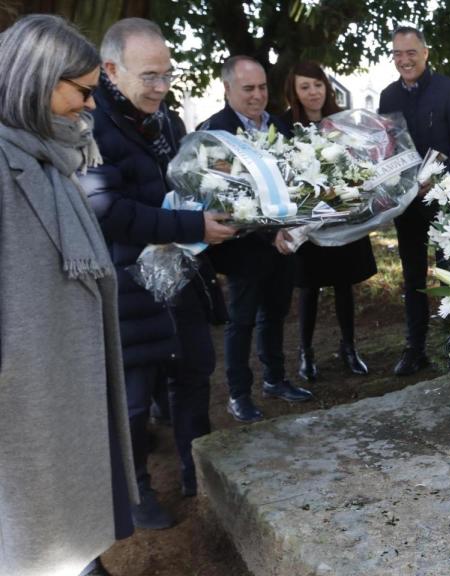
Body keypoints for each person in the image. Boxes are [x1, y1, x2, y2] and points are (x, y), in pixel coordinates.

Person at [82, 18, 234, 529]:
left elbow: (188, 175)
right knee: (132, 394)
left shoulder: (165, 119)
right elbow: (110, 211)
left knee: (193, 369)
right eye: (149, 76)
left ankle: (198, 471)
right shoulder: (91, 123)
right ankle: (135, 493)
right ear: (110, 70)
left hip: (179, 268)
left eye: (167, 75)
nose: (161, 88)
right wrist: (190, 222)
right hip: (125, 280)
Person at [0, 14, 135, 576]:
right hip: (25, 398)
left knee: (66, 536)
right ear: (36, 79)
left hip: (64, 380)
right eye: (81, 91)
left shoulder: (48, 157)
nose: (91, 106)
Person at [200, 56, 313, 422]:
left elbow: (297, 181)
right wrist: (269, 232)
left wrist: (296, 225)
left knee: (277, 314)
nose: (257, 95)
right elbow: (223, 200)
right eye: (248, 88)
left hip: (283, 246)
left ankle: (276, 379)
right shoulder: (215, 133)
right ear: (228, 89)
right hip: (243, 249)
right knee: (242, 321)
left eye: (262, 87)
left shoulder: (281, 126)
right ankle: (238, 394)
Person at [378, 25, 450, 376]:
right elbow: (386, 149)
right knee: (413, 275)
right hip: (407, 204)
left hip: (445, 201)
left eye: (411, 52)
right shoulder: (388, 96)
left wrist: (436, 178)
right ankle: (414, 347)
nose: (404, 60)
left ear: (425, 53)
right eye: (397, 54)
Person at [283, 61, 377, 379]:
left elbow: (361, 162)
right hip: (306, 219)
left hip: (341, 216)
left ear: (327, 87)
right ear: (294, 92)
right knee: (308, 288)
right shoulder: (285, 127)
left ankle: (348, 348)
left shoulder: (342, 122)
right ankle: (306, 354)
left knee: (343, 284)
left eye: (318, 84)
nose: (313, 92)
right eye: (305, 86)